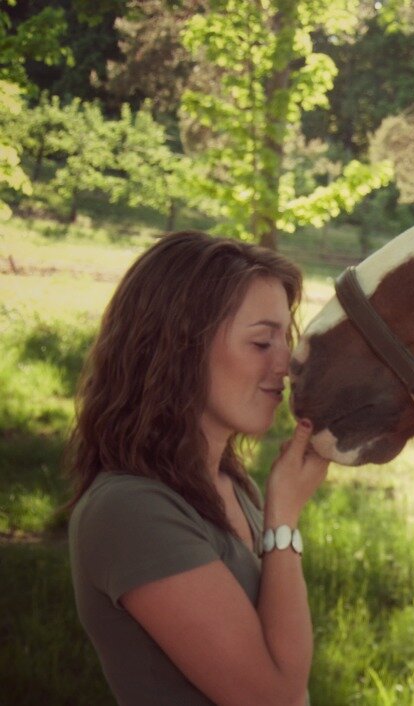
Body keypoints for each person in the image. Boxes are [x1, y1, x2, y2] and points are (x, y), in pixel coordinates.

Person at [66, 230, 328, 706]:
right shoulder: (130, 511)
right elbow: (275, 698)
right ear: (181, 349)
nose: (286, 364)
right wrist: (284, 520)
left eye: (284, 339)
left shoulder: (229, 484)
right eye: (262, 342)